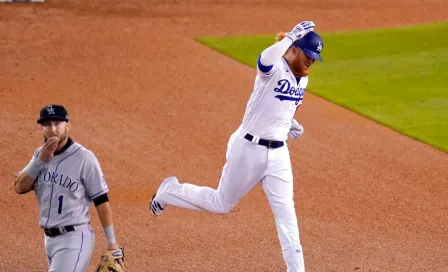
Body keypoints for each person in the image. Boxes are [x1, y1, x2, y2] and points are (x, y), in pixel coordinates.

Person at [150, 21, 323, 272]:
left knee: (287, 216)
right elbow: (263, 59)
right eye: (309, 55)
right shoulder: (273, 68)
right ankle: (169, 191)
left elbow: (278, 107)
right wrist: (289, 38)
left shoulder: (302, 81)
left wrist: (289, 123)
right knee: (221, 204)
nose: (312, 62)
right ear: (294, 49)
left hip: (278, 155)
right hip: (248, 149)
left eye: (315, 58)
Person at [14, 104, 124, 272]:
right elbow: (20, 187)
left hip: (74, 239)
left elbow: (101, 200)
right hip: (49, 240)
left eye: (57, 123)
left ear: (67, 125)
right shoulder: (38, 154)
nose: (53, 129)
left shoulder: (84, 158)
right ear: (41, 128)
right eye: (47, 124)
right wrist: (39, 162)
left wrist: (112, 242)